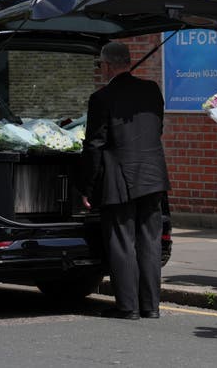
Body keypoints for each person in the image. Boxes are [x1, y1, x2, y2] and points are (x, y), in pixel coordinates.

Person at [80, 41, 170, 320]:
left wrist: (87, 187)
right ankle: (151, 306)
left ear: (107, 65)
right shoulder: (152, 90)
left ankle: (127, 306)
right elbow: (158, 128)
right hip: (153, 175)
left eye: (100, 65)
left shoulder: (101, 98)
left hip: (119, 178)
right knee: (150, 242)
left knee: (121, 241)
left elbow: (95, 145)